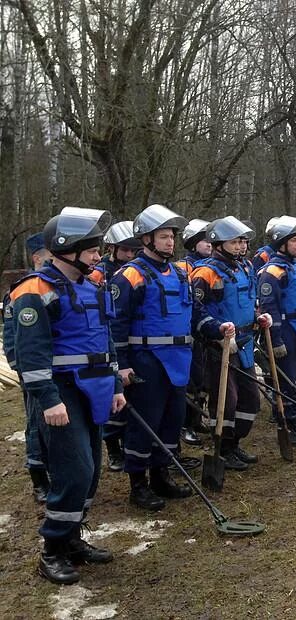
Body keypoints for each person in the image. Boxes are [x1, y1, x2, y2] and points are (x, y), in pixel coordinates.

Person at [9, 207, 125, 584]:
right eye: (92, 249)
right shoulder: (34, 291)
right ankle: (52, 549)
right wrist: (47, 399)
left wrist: (116, 386)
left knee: (90, 474)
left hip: (95, 389)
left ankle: (73, 537)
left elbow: (104, 342)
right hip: (62, 393)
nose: (98, 256)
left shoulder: (93, 286)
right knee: (75, 473)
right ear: (67, 248)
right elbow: (31, 354)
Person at [110, 204, 233, 511]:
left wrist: (217, 329)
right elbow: (115, 325)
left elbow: (195, 314)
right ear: (146, 239)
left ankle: (161, 475)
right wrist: (121, 365)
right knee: (145, 423)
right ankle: (138, 485)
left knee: (171, 420)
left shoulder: (180, 274)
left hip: (180, 360)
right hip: (146, 361)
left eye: (171, 237)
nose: (169, 242)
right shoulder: (130, 277)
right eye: (163, 236)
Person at [191, 216, 270, 468]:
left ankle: (235, 443)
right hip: (220, 348)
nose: (241, 247)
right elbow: (196, 311)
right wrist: (216, 331)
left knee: (250, 400)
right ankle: (222, 448)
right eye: (235, 242)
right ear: (218, 243)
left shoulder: (246, 268)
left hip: (245, 343)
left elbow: (249, 303)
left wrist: (259, 318)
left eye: (243, 242)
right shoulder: (206, 272)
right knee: (227, 400)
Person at [87, 221, 143, 472]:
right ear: (113, 248)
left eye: (134, 250)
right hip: (108, 336)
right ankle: (113, 448)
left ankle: (131, 442)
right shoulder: (99, 273)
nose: (130, 255)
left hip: (134, 340)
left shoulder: (137, 271)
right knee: (112, 397)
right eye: (125, 251)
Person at [258, 216, 296, 443]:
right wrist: (276, 339)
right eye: (294, 240)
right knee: (288, 380)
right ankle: (288, 423)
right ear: (281, 243)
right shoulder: (272, 271)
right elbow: (268, 306)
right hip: (286, 330)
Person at [3, 232, 53, 503]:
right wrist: (19, 366)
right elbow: (12, 337)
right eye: (50, 256)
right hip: (32, 369)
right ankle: (38, 477)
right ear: (38, 258)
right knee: (36, 423)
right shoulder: (22, 291)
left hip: (55, 367)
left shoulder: (52, 286)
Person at [174, 218, 212, 446]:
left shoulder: (214, 266)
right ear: (192, 242)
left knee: (204, 381)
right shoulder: (182, 268)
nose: (209, 244)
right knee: (190, 383)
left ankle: (197, 419)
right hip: (188, 336)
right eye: (203, 240)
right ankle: (185, 424)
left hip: (207, 333)